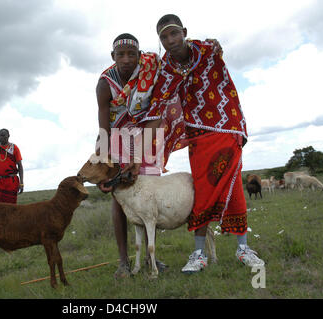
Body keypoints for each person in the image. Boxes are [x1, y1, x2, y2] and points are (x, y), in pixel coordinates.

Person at [142, 14, 264, 273]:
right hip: (198, 134)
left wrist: (217, 45)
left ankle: (243, 249)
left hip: (226, 126)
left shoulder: (207, 50)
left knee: (234, 189)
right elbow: (156, 108)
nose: (170, 40)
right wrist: (141, 147)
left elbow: (218, 52)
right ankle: (198, 254)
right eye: (164, 37)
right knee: (203, 190)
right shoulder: (167, 69)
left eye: (174, 33)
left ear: (184, 32)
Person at [95, 33, 166, 278]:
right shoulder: (105, 83)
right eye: (120, 54)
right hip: (118, 141)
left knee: (147, 195)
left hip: (147, 138)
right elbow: (104, 125)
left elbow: (158, 109)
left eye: (131, 54)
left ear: (139, 55)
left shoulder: (150, 73)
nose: (126, 59)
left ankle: (150, 256)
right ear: (112, 57)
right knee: (120, 198)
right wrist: (105, 158)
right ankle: (123, 261)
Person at [0, 128, 24, 204]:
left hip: (11, 182)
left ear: (8, 136)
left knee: (10, 207)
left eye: (3, 135)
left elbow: (20, 166)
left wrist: (21, 183)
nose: (0, 137)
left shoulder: (14, 148)